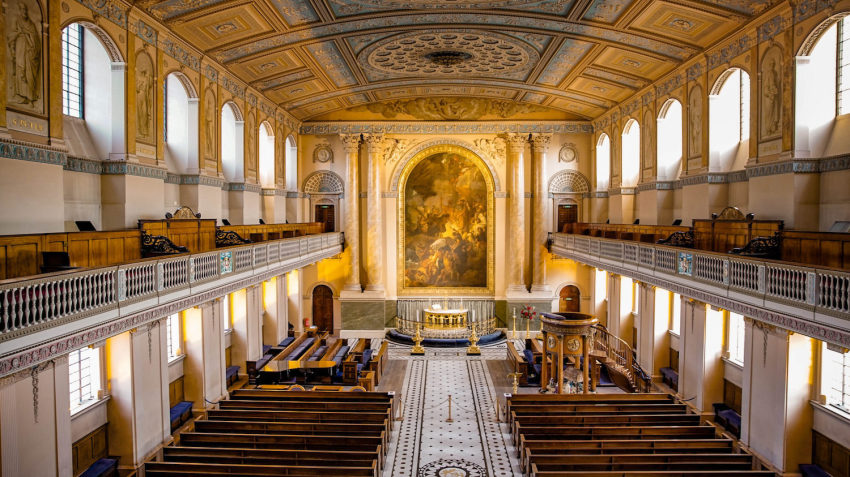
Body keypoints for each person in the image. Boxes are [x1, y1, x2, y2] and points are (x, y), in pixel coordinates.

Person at [10, 1, 41, 106]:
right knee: (20, 71)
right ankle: (23, 97)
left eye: (25, 10)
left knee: (30, 75)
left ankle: (31, 99)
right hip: (20, 48)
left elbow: (36, 40)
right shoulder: (17, 21)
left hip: (29, 51)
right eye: (22, 9)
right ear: (20, 10)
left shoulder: (31, 24)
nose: (25, 12)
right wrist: (19, 34)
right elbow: (11, 35)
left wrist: (28, 35)